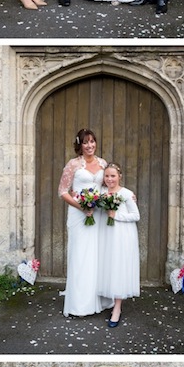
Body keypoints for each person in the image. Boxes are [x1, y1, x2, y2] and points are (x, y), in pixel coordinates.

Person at [59, 128, 106, 318]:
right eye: (86, 142)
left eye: (92, 141)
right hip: (79, 215)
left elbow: (108, 186)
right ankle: (79, 304)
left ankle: (98, 299)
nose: (90, 146)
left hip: (98, 214)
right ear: (80, 145)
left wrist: (126, 195)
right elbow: (63, 191)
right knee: (80, 256)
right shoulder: (73, 165)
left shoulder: (103, 163)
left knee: (97, 255)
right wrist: (82, 207)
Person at [97, 164, 141, 327]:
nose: (109, 179)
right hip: (106, 234)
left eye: (113, 176)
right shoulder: (101, 193)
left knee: (119, 267)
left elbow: (136, 216)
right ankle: (106, 300)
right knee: (108, 266)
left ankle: (117, 307)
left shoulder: (127, 194)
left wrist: (116, 215)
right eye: (107, 176)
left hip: (122, 235)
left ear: (119, 176)